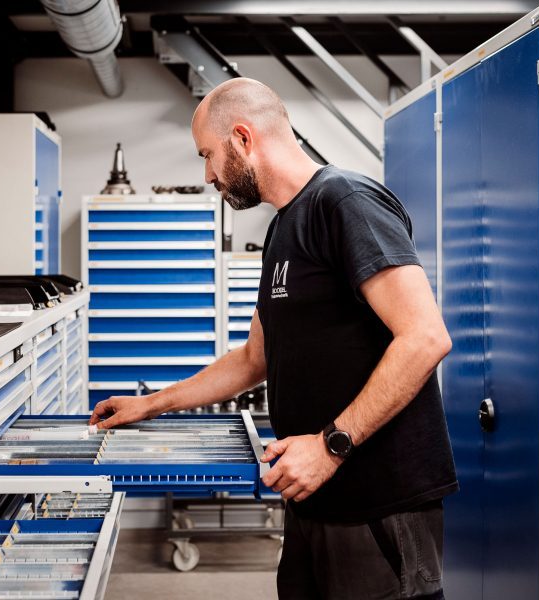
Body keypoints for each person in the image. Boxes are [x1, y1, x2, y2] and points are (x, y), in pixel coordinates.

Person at [89, 77, 458, 600]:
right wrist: (151, 405)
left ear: (242, 138)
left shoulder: (346, 202)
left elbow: (424, 337)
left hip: (378, 504)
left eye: (208, 155)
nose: (208, 174)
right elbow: (252, 360)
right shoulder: (283, 228)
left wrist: (330, 447)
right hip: (313, 498)